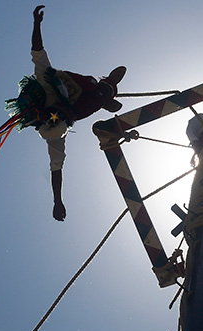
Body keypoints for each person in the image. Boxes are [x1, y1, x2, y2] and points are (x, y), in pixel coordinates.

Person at [22, 5, 126, 221]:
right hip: (67, 98)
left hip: (77, 95)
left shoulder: (57, 89)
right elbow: (38, 54)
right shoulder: (52, 89)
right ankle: (101, 92)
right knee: (56, 131)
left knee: (79, 97)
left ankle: (103, 91)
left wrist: (57, 200)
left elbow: (38, 53)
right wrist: (36, 24)